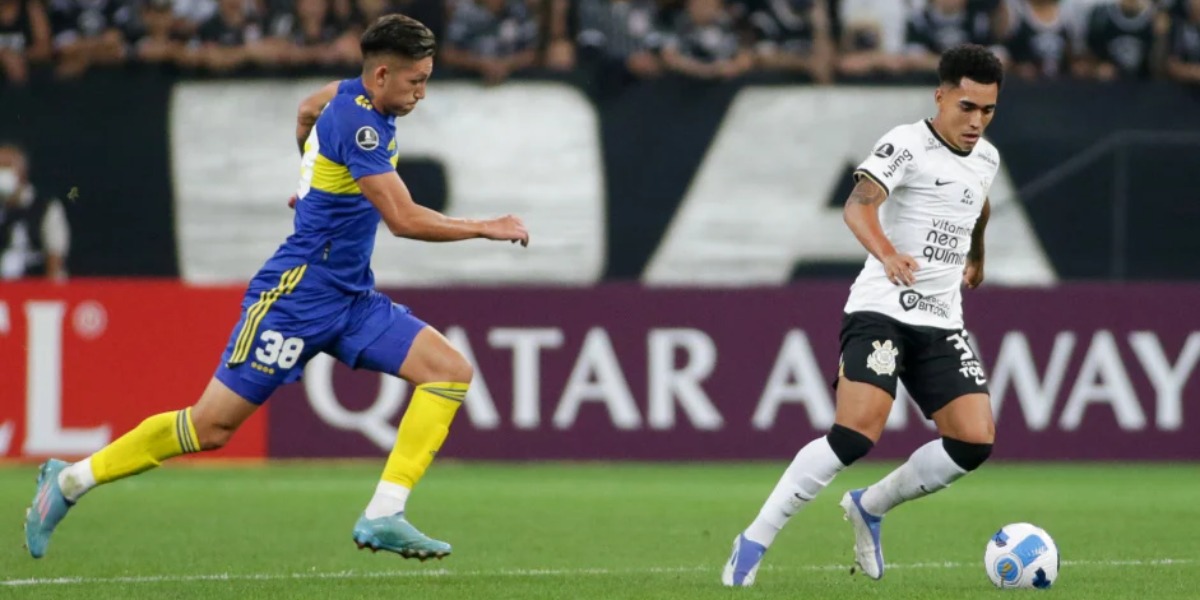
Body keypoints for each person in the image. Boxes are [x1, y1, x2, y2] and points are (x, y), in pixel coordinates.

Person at [25, 13, 529, 561]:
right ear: (382, 74)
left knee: (449, 371)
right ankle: (69, 481)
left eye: (426, 80)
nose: (422, 94)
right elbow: (404, 220)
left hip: (351, 299)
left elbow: (305, 111)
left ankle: (385, 513)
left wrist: (311, 181)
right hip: (294, 298)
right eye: (415, 82)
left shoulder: (346, 95)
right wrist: (485, 226)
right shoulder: (361, 127)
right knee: (210, 427)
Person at [722, 43, 1002, 587]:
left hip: (941, 320)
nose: (976, 121)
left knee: (974, 441)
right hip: (881, 311)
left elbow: (979, 202)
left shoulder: (986, 157)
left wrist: (977, 255)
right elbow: (859, 204)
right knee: (855, 434)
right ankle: (754, 537)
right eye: (967, 107)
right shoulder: (906, 144)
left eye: (988, 110)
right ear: (940, 96)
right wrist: (888, 254)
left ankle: (869, 507)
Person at [0, 143, 70, 281]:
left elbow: (55, 255)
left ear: (22, 172)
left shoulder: (46, 208)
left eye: (6, 166)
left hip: (35, 286)